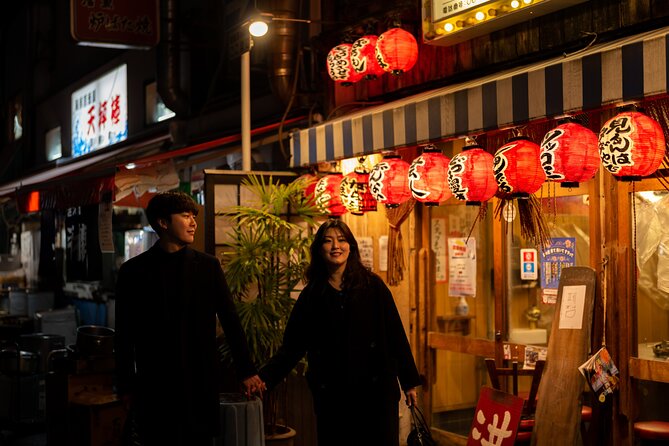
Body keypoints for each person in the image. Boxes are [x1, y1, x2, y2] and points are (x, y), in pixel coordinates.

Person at [115, 191, 265, 446]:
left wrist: (247, 370)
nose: (193, 222)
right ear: (163, 222)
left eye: (194, 216)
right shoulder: (133, 271)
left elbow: (230, 320)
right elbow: (124, 333)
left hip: (199, 381)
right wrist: (126, 385)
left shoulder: (208, 266)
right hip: (155, 384)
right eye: (186, 216)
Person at [259, 218, 421, 446]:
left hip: (376, 394)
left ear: (351, 247)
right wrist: (264, 378)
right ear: (319, 249)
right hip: (333, 396)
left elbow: (395, 334)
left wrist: (409, 383)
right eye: (328, 241)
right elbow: (292, 346)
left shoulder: (373, 286)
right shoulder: (312, 295)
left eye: (342, 240)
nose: (336, 246)